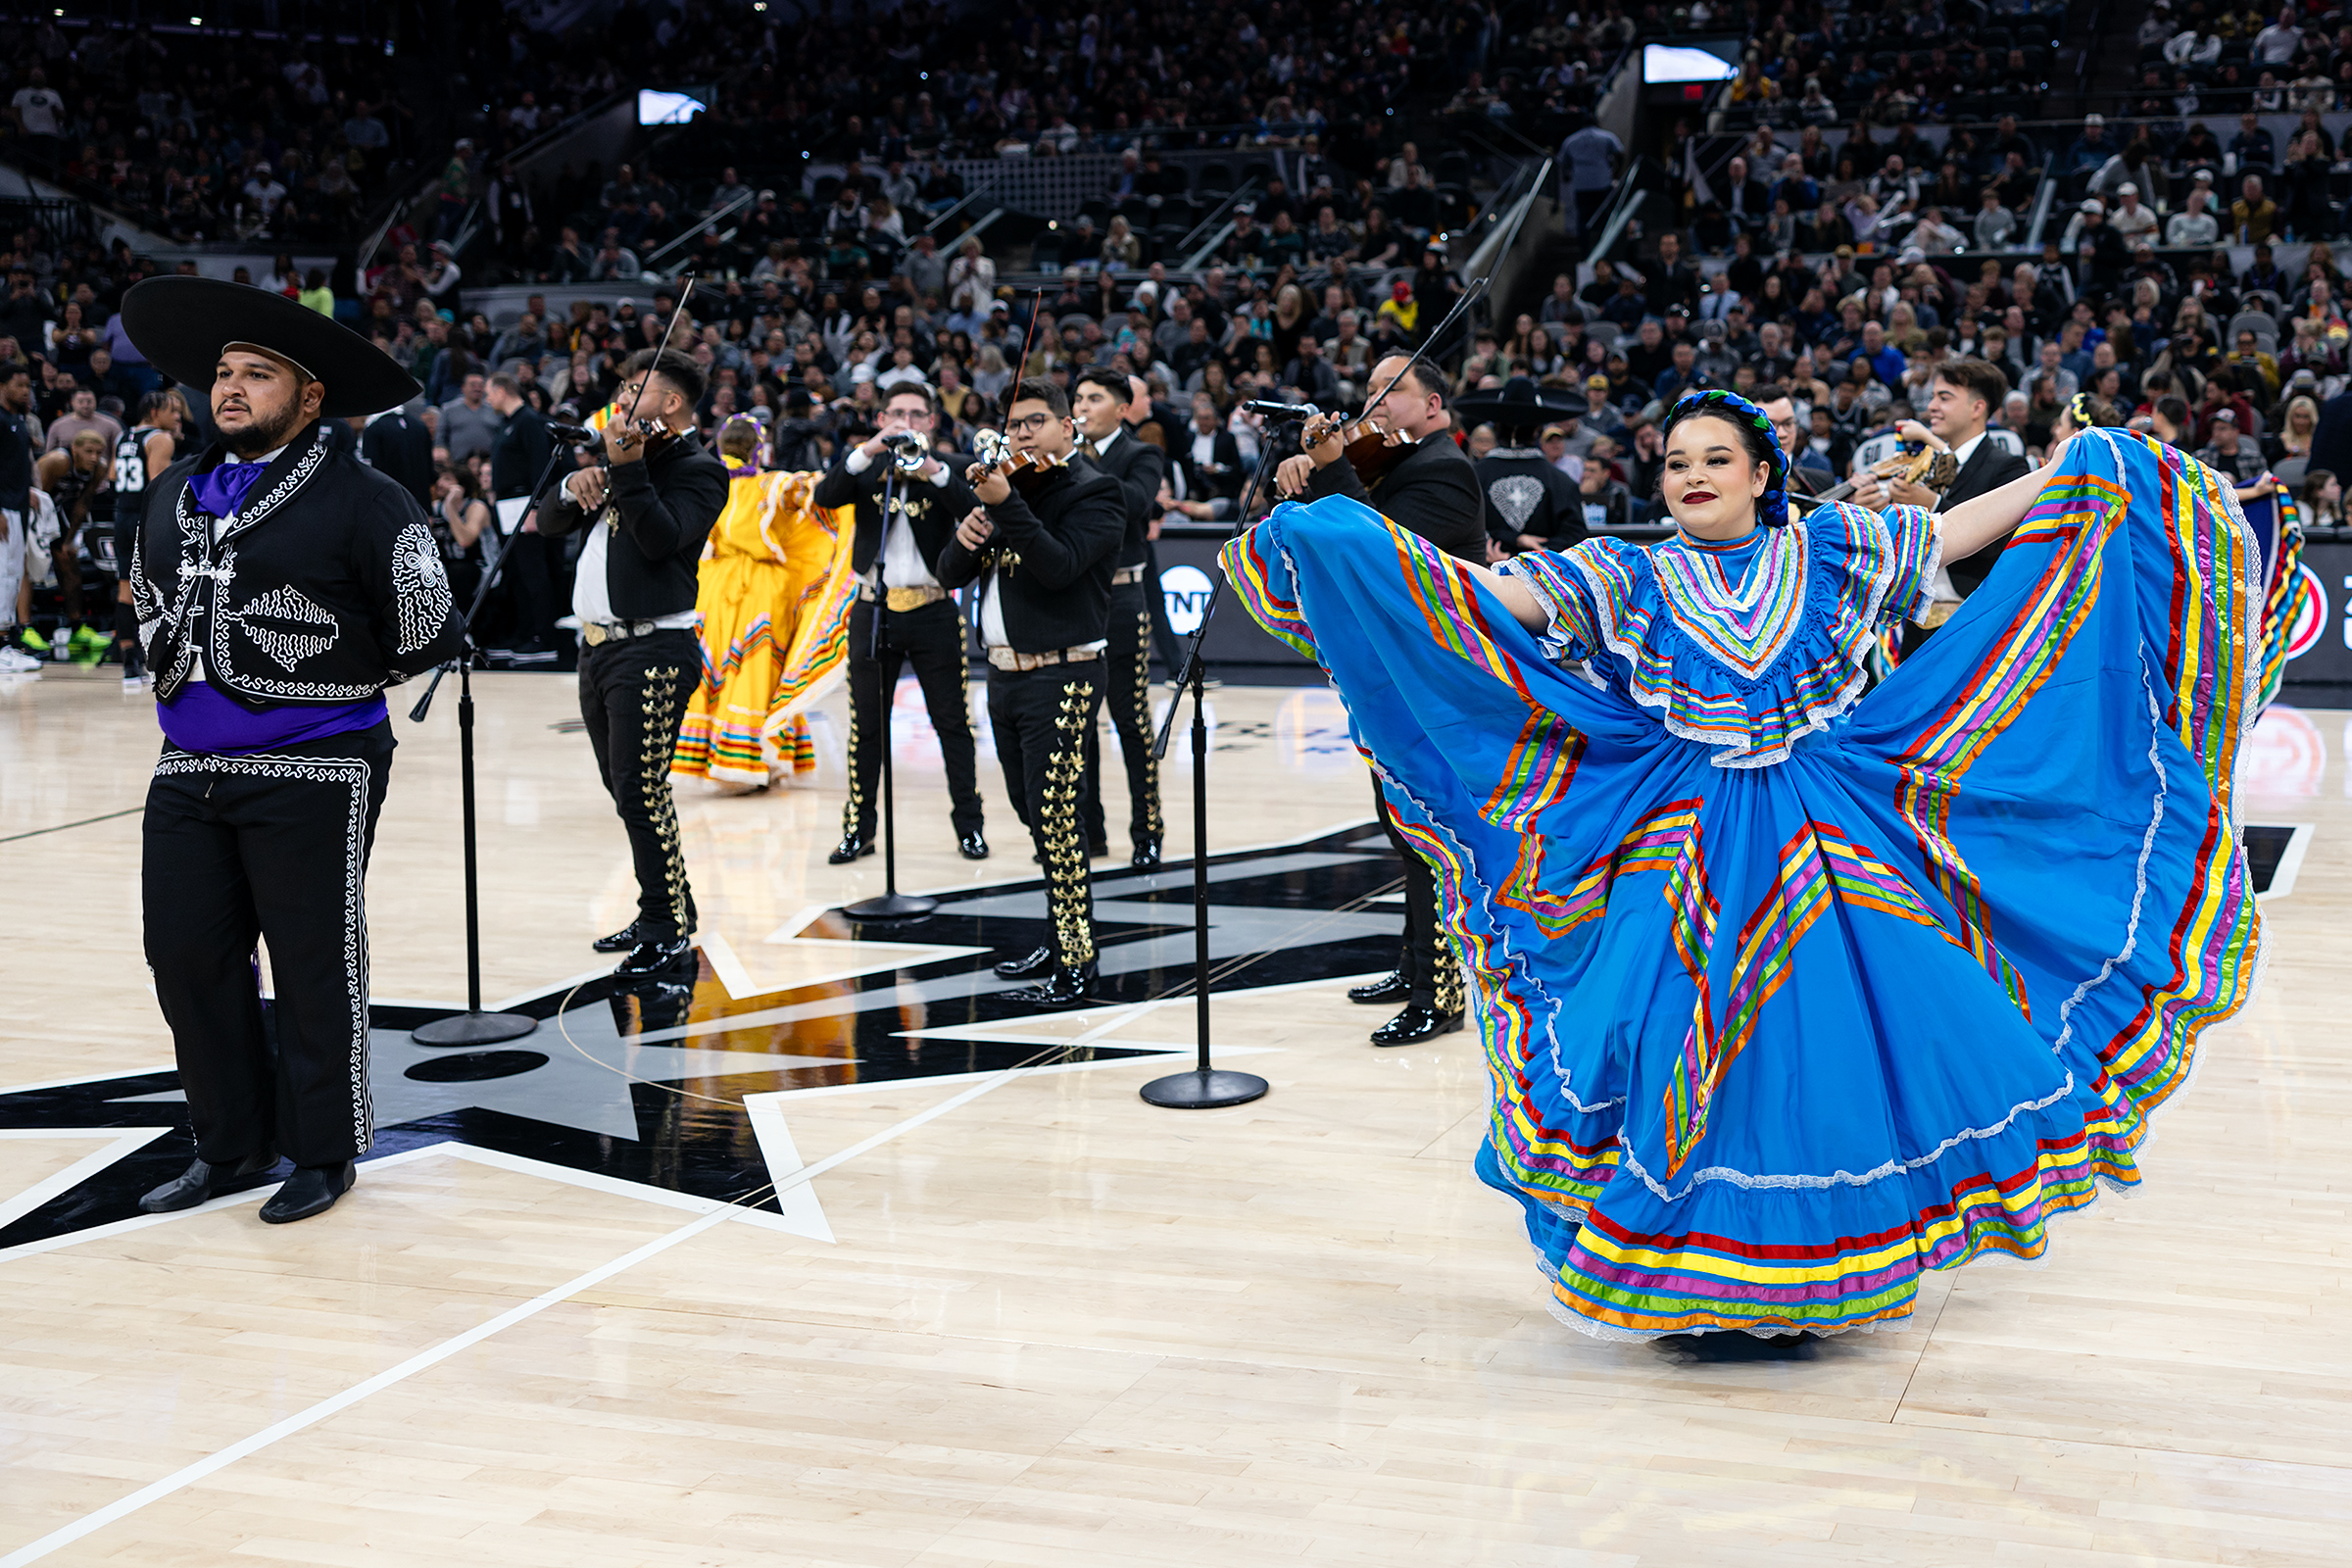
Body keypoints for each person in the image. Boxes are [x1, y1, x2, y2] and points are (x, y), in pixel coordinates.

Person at [1221, 388, 2261, 1344]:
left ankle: (1805, 1273)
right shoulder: (1626, 572)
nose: (1694, 476)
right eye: (1677, 462)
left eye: (1717, 459)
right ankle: (1696, 1273)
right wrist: (1339, 526)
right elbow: (1492, 598)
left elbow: (1949, 534)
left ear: (1763, 474)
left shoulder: (1832, 550)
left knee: (1822, 1043)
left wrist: (2076, 467)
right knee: (1666, 1035)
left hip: (1824, 821)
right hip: (1678, 833)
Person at [119, 276, 466, 1225]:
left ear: (310, 398)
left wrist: (315, 682)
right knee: (185, 954)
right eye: (224, 373)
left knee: (313, 958)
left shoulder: (368, 496)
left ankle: (322, 1151)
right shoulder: (171, 491)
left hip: (318, 761)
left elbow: (427, 627)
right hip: (186, 766)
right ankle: (229, 1144)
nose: (230, 388)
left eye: (257, 374)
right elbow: (144, 595)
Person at [1277, 353, 1482, 1047]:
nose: (1371, 403)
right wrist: (1310, 476)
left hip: (1436, 683)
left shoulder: (1445, 470)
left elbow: (1382, 557)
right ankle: (1415, 964)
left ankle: (1441, 992)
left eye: (1389, 391)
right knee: (1401, 828)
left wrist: (1333, 468)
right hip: (1397, 680)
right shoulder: (1394, 462)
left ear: (1433, 406)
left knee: (1430, 831)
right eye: (1367, 390)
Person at [534, 348, 730, 977]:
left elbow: (660, 539)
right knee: (624, 788)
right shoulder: (624, 456)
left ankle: (665, 926)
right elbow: (548, 524)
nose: (621, 396)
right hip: (597, 648)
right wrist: (572, 485)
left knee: (641, 789)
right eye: (620, 385)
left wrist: (626, 470)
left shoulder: (698, 469)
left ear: (671, 402)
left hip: (653, 649)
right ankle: (666, 905)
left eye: (634, 387)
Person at [939, 379, 1125, 1008]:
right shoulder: (1012, 489)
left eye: (1035, 421)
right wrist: (970, 532)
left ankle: (1077, 964)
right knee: (1031, 812)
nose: (1021, 434)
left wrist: (1007, 506)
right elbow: (948, 574)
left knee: (1058, 817)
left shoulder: (1094, 491)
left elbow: (1059, 567)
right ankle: (1057, 937)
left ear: (1068, 427)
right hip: (1003, 673)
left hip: (1064, 673)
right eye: (1014, 424)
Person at [813, 382, 989, 863]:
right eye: (896, 414)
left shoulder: (949, 467)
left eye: (915, 414)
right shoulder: (868, 466)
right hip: (873, 608)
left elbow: (972, 508)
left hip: (934, 609)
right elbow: (825, 496)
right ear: (881, 419)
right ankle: (859, 829)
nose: (905, 423)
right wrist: (868, 450)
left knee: (952, 723)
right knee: (866, 727)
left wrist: (930, 468)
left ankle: (970, 826)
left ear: (931, 421)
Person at [671, 416, 857, 791]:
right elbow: (825, 494)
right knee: (757, 671)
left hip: (711, 587)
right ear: (759, 447)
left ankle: (716, 758)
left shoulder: (704, 483)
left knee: (714, 669)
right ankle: (754, 758)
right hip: (762, 590)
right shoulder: (775, 485)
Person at [1854, 358, 2033, 646]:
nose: (1932, 406)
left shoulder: (2008, 467)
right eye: (1933, 396)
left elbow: (1999, 547)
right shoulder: (1919, 464)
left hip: (1973, 622)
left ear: (1977, 408)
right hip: (1913, 624)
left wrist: (1935, 503)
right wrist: (1871, 511)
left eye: (1944, 398)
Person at [1069, 368, 1167, 866]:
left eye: (1094, 398)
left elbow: (1136, 503)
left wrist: (1073, 468)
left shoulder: (1140, 454)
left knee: (1131, 721)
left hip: (1123, 598)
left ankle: (1147, 830)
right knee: (1078, 723)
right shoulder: (1066, 458)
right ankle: (1090, 832)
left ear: (1122, 409)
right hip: (1075, 599)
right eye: (1078, 399)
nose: (1082, 407)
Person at [108, 389, 184, 687]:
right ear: (154, 412)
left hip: (122, 516)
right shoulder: (160, 438)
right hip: (146, 518)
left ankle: (129, 660)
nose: (177, 416)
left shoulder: (123, 436)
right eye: (171, 410)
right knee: (158, 587)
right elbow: (159, 483)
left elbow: (113, 475)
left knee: (125, 589)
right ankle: (160, 655)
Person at [1459, 377, 1587, 555]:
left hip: (1483, 568)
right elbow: (1575, 537)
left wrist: (1503, 545)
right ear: (1537, 430)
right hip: (1542, 570)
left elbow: (1461, 528)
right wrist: (1535, 555)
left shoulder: (1472, 476)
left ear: (1496, 427)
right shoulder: (1561, 481)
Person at [0, 362, 31, 671]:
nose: (25, 391)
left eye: (28, 386)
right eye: (19, 385)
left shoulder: (17, 419)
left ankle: (8, 642)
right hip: (4, 508)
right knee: (2, 576)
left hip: (18, 505)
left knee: (13, 576)